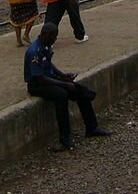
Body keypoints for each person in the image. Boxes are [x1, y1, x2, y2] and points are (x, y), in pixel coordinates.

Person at [24, 22, 111, 151]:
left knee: (77, 89)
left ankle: (91, 127)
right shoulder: (34, 52)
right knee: (61, 95)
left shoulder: (45, 46)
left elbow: (49, 66)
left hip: (47, 78)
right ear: (46, 35)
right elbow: (40, 77)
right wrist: (64, 84)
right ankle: (65, 138)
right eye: (54, 37)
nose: (55, 40)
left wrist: (64, 76)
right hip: (37, 84)